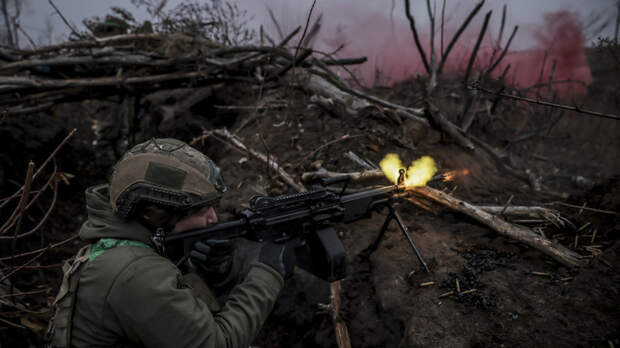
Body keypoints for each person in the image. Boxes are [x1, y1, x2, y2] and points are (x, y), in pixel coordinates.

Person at [46, 138, 296, 348]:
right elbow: (217, 343)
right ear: (160, 215)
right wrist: (268, 272)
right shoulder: (135, 273)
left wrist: (216, 273)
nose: (213, 218)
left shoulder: (114, 248)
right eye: (201, 211)